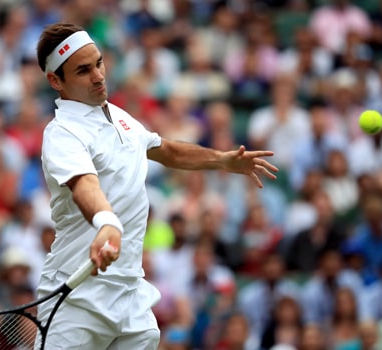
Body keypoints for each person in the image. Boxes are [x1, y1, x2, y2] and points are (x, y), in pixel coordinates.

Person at [35, 23, 278, 349]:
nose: (98, 76)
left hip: (130, 294)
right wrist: (106, 222)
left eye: (99, 63)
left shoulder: (118, 117)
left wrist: (222, 159)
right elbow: (85, 185)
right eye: (83, 70)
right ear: (55, 81)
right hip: (76, 299)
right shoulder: (62, 133)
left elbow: (165, 150)